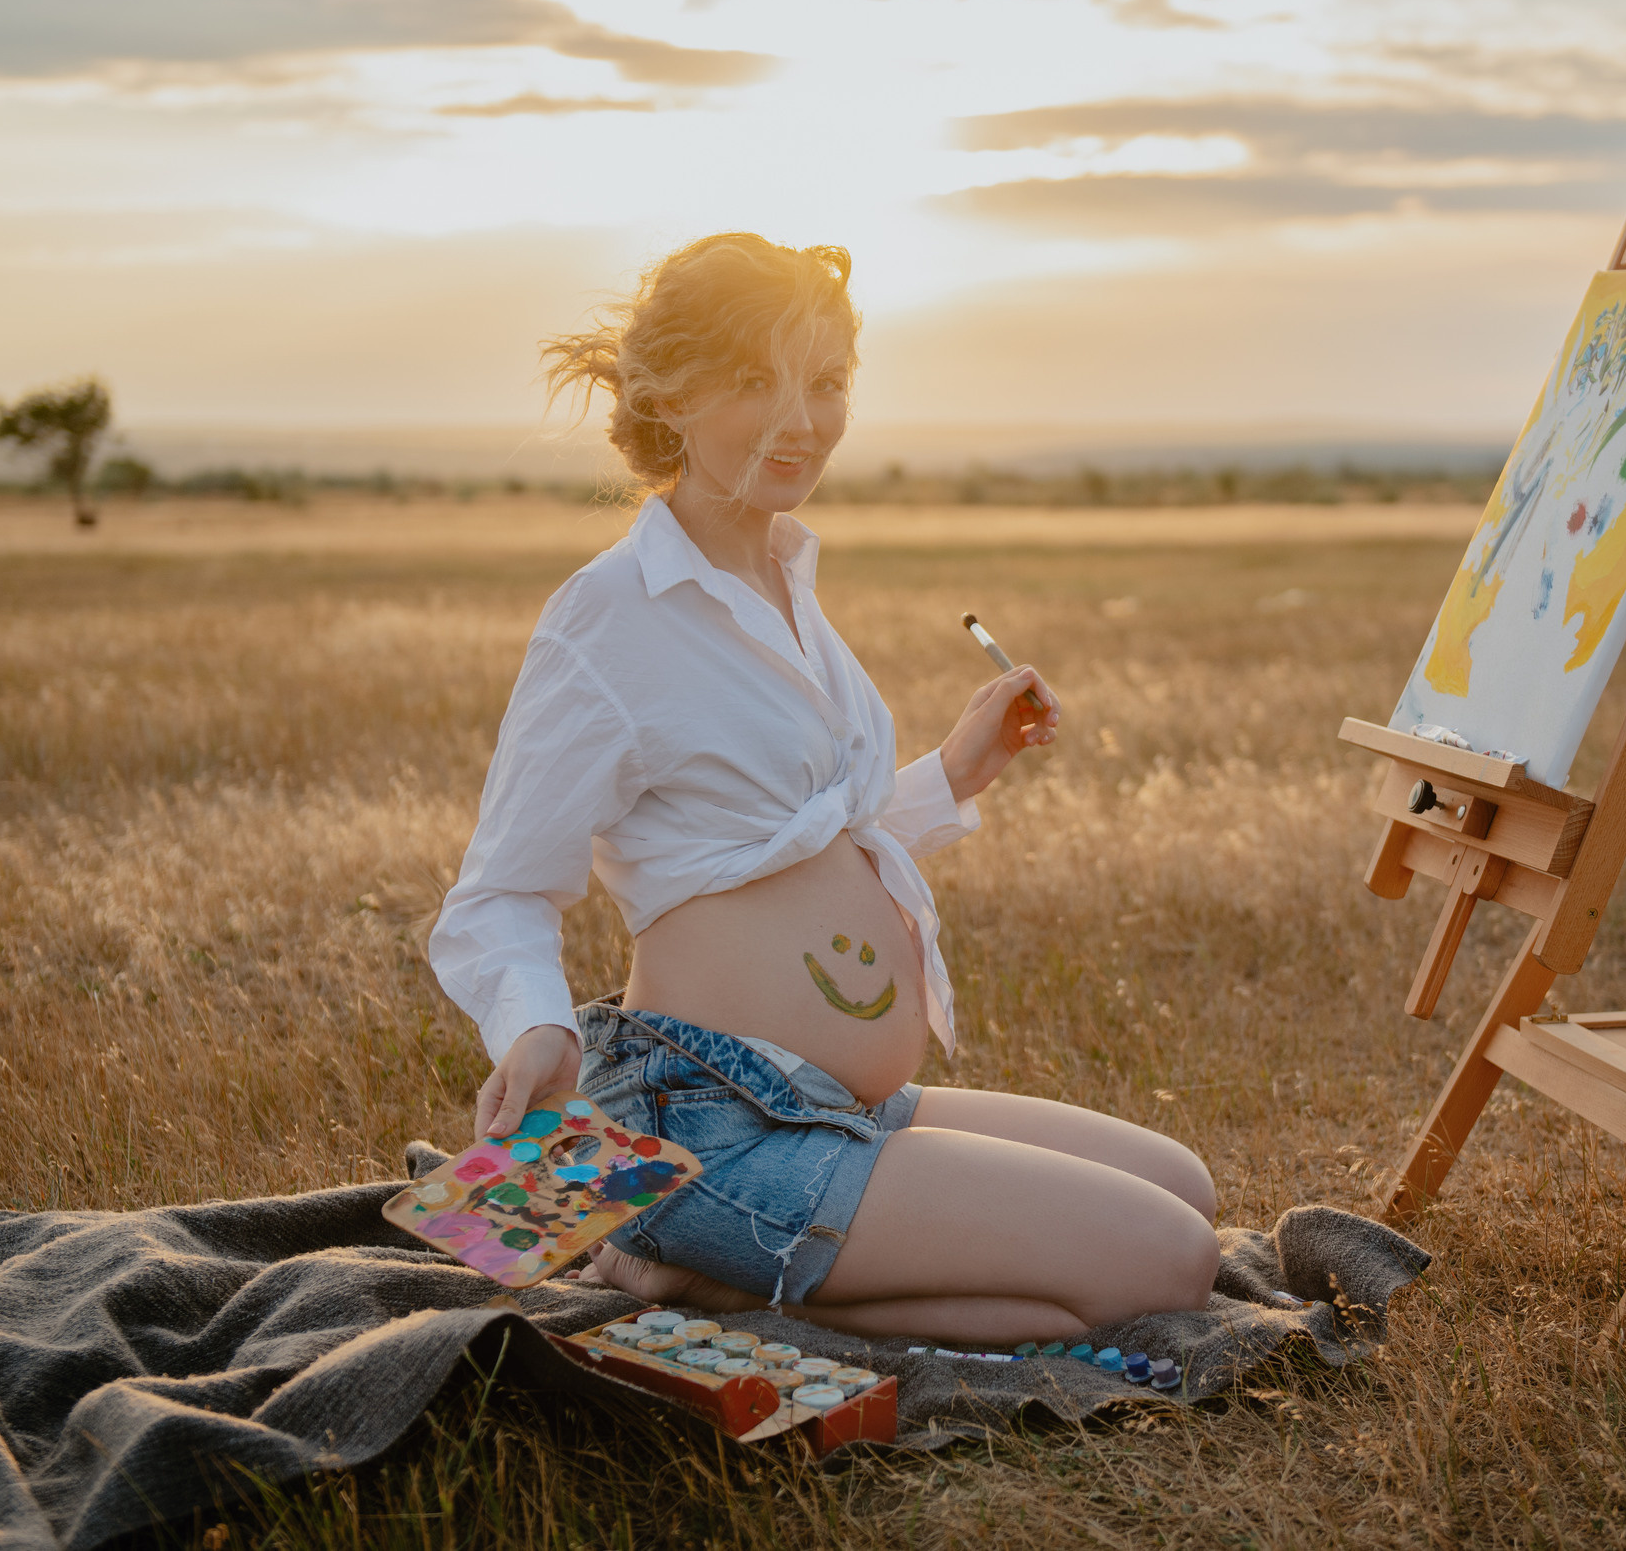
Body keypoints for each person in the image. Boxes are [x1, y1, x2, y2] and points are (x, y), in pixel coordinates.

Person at [430, 233, 1218, 1344]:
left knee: (1184, 1186)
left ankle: (739, 1273)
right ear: (671, 391)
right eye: (755, 380)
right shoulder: (609, 618)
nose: (800, 419)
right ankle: (688, 1256)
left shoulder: (787, 577)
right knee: (1169, 1264)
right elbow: (500, 892)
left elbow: (785, 843)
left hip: (838, 1106)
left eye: (827, 383)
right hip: (705, 1123)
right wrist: (537, 1030)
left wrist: (954, 771)